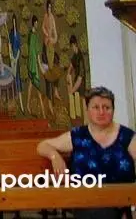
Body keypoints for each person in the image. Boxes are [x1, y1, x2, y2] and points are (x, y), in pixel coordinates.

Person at [37, 86, 136, 219]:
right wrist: (55, 157)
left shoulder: (127, 136)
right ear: (87, 110)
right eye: (96, 107)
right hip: (85, 201)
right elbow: (43, 145)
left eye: (107, 108)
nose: (101, 112)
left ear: (113, 110)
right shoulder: (78, 135)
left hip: (120, 202)